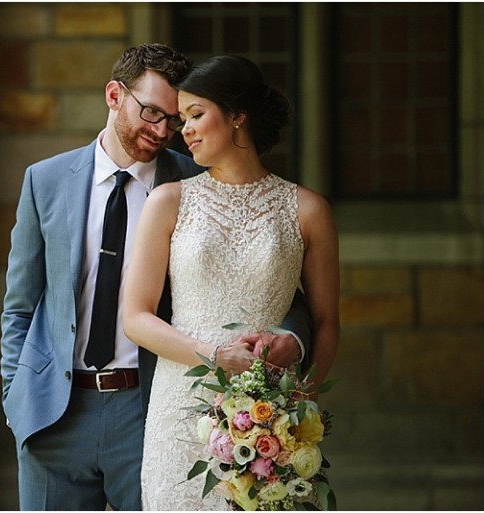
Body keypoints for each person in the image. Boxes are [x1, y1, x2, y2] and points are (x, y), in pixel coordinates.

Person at [0, 44, 312, 511]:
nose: (164, 130)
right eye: (152, 113)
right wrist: (16, 397)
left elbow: (272, 286)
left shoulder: (197, 183)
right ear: (113, 95)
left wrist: (291, 339)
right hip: (54, 414)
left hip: (146, 409)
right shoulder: (45, 181)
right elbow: (21, 304)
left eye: (175, 118)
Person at [122, 55, 340, 510]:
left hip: (271, 418)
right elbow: (135, 318)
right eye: (183, 120)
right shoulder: (168, 202)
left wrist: (299, 411)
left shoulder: (308, 211)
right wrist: (214, 355)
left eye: (196, 115)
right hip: (179, 411)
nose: (184, 130)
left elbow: (326, 322)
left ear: (238, 116)